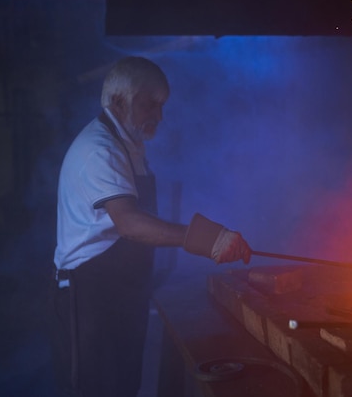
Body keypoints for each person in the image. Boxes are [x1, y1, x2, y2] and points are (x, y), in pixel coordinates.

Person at [50, 56, 251, 397]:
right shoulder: (100, 150)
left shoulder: (129, 145)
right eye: (150, 105)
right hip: (89, 297)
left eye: (162, 105)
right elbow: (129, 223)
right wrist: (207, 239)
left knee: (123, 386)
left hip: (120, 291)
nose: (159, 116)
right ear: (117, 101)